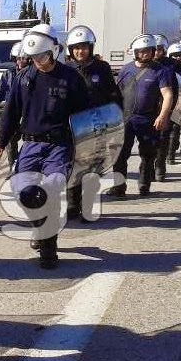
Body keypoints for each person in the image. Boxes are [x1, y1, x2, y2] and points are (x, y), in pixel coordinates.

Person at [0, 24, 90, 269]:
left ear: (55, 50)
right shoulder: (24, 78)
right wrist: (2, 142)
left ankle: (49, 248)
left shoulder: (71, 79)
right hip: (31, 146)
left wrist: (90, 145)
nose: (39, 61)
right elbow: (11, 113)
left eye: (43, 56)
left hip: (60, 146)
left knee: (53, 186)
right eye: (33, 57)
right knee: (24, 192)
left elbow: (85, 114)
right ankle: (41, 227)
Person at [65, 25, 123, 219]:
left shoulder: (102, 68)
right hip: (73, 127)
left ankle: (88, 206)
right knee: (74, 166)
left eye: (84, 47)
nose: (80, 51)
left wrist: (115, 118)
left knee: (92, 169)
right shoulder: (65, 69)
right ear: (70, 49)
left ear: (90, 47)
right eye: (76, 47)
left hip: (98, 127)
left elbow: (113, 95)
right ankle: (72, 205)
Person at [106, 34, 174, 198]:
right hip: (126, 118)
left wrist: (163, 116)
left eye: (149, 50)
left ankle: (144, 185)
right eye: (142, 51)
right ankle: (119, 187)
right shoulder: (126, 69)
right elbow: (116, 92)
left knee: (148, 154)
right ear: (135, 52)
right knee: (120, 154)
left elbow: (168, 95)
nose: (146, 54)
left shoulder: (161, 71)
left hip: (148, 118)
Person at [0, 42, 30, 168]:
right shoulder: (8, 74)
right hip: (12, 113)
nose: (20, 61)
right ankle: (12, 167)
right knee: (9, 142)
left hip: (28, 114)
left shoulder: (34, 74)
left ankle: (26, 163)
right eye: (18, 58)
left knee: (29, 142)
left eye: (23, 58)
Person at [152, 34, 179, 182]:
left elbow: (179, 87)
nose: (156, 52)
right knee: (149, 140)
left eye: (159, 49)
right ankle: (149, 167)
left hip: (165, 105)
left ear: (164, 50)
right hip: (147, 107)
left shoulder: (171, 65)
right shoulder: (145, 63)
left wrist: (170, 108)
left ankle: (160, 166)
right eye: (154, 49)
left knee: (163, 138)